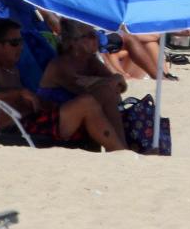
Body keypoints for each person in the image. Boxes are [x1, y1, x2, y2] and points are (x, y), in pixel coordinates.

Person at [0, 19, 126, 151]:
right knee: (86, 103)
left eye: (21, 42)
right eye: (14, 43)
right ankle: (120, 151)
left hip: (33, 120)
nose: (20, 47)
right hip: (18, 128)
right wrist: (19, 92)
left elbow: (119, 86)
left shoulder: (12, 67)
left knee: (96, 99)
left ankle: (121, 149)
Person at [38, 19, 129, 147]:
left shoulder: (90, 61)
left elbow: (121, 86)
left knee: (109, 93)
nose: (97, 39)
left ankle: (121, 147)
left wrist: (112, 78)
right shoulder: (60, 65)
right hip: (50, 121)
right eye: (91, 36)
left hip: (81, 117)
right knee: (102, 94)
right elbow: (83, 90)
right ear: (74, 42)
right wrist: (111, 80)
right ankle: (121, 148)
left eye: (96, 35)